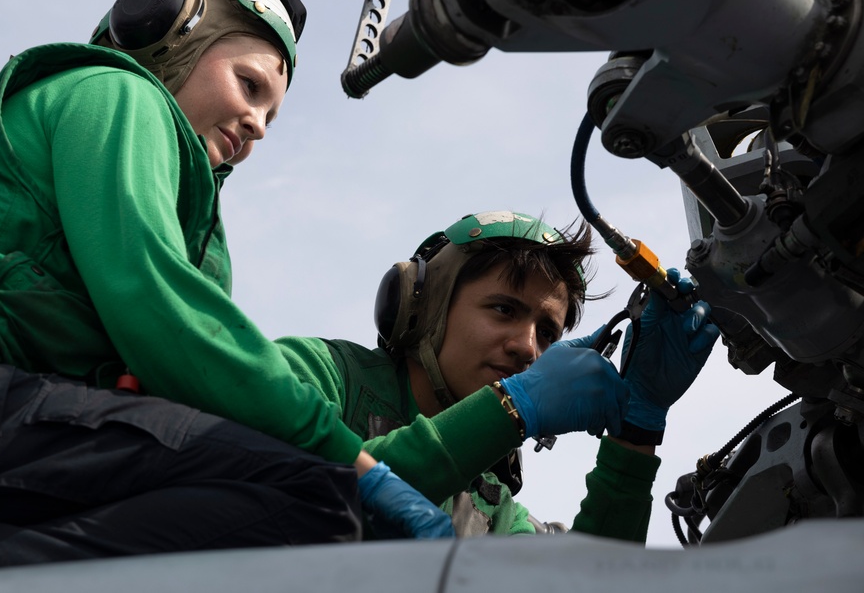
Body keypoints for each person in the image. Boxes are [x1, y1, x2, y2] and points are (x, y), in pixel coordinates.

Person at [0, 0, 452, 578]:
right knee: (309, 492)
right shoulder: (115, 94)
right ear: (170, 35)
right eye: (249, 85)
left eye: (271, 116)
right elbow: (158, 306)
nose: (258, 124)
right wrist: (351, 459)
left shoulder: (190, 212)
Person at [278, 210, 719, 538]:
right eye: (504, 309)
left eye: (546, 332)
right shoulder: (320, 375)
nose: (528, 348)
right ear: (422, 307)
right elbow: (289, 494)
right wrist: (511, 408)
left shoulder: (493, 511)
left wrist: (636, 429)